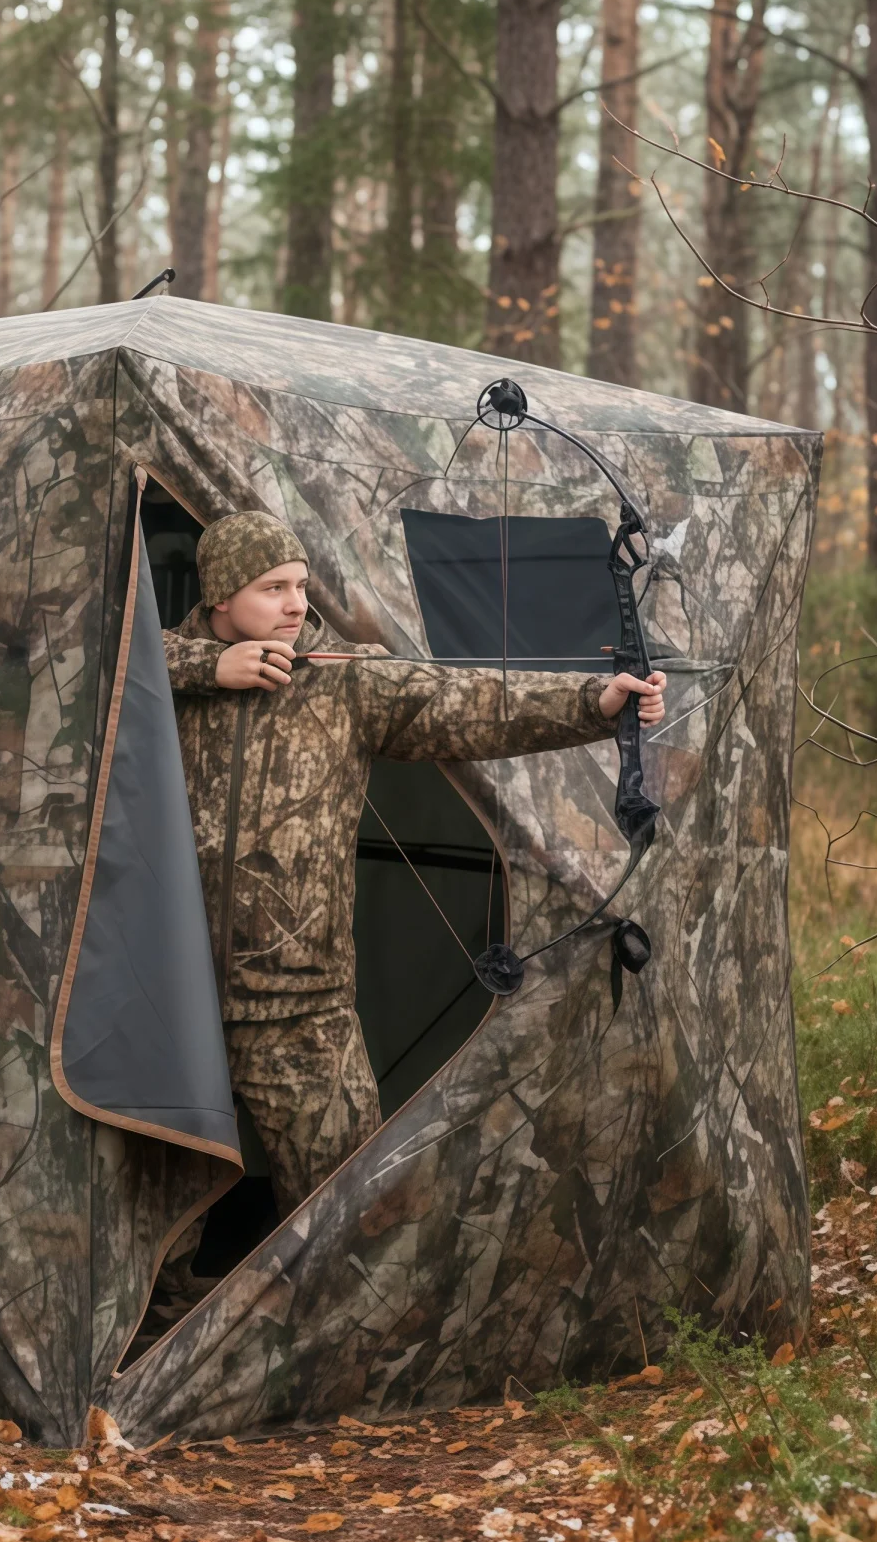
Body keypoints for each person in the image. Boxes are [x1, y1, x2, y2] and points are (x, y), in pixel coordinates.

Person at [159, 508, 666, 1234]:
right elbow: (97, 668)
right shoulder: (156, 680)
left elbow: (468, 702)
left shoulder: (344, 681)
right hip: (175, 1009)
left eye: (300, 585)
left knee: (342, 1214)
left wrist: (596, 701)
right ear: (219, 596)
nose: (296, 604)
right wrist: (204, 669)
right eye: (273, 588)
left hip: (302, 1009)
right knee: (161, 1220)